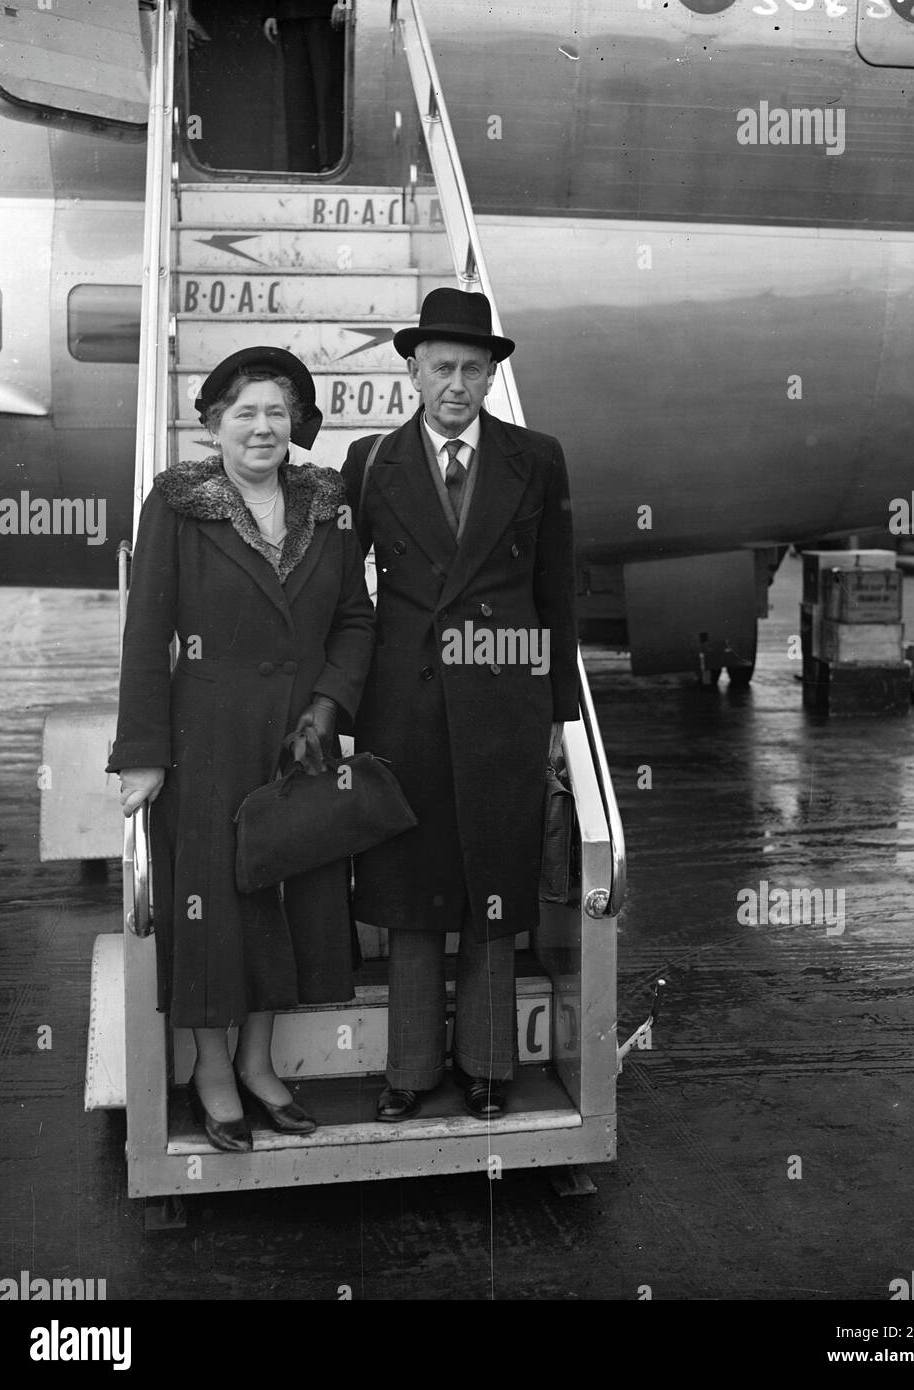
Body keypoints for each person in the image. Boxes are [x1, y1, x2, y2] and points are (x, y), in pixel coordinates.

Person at [107, 346, 374, 1153]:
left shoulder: (328, 505)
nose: (263, 427)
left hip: (299, 742)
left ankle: (259, 1065)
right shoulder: (177, 506)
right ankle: (211, 1069)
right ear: (215, 424)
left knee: (281, 906)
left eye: (276, 412)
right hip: (207, 741)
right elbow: (147, 630)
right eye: (245, 412)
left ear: (295, 423)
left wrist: (327, 710)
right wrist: (145, 752)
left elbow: (355, 622)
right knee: (214, 909)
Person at [341, 288, 579, 1122]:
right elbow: (345, 594)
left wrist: (563, 721)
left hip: (503, 705)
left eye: (472, 368)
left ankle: (486, 1067)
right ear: (412, 370)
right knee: (410, 890)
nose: (456, 383)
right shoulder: (371, 461)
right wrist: (337, 706)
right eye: (441, 366)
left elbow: (557, 593)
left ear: (490, 376)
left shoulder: (536, 457)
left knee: (493, 882)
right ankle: (408, 1072)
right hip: (402, 705)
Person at [263, 2, 349, 173]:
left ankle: (331, 161)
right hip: (288, 13)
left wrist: (343, 2)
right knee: (296, 95)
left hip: (326, 13)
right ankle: (301, 166)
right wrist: (270, 12)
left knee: (328, 89)